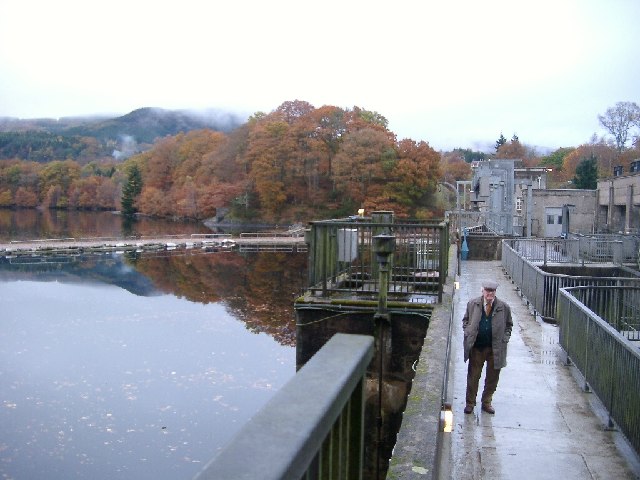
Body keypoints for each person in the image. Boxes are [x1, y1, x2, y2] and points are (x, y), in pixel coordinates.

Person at [462, 280, 513, 414]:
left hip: (495, 349)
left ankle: (486, 402)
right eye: (487, 290)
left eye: (492, 291)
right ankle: (470, 403)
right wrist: (468, 331)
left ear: (495, 292)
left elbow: (509, 325)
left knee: (492, 378)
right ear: (482, 291)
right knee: (473, 377)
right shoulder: (473, 304)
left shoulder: (504, 307)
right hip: (477, 347)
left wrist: (505, 339)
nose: (490, 293)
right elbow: (465, 320)